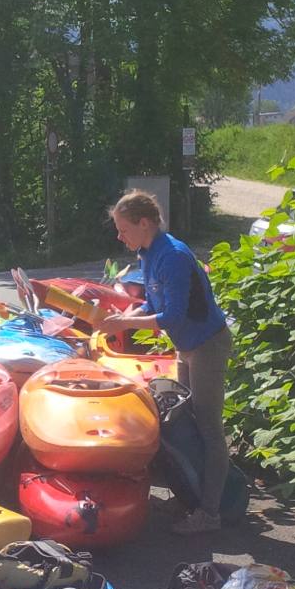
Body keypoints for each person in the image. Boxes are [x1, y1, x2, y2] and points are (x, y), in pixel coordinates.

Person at [100, 190, 232, 534]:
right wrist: (127, 316)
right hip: (186, 346)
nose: (120, 237)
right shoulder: (147, 253)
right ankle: (192, 496)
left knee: (209, 428)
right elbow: (153, 304)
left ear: (144, 223)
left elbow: (172, 316)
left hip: (207, 345)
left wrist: (125, 324)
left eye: (123, 229)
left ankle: (210, 513)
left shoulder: (172, 255)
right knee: (184, 421)